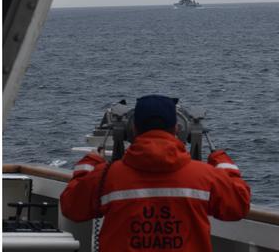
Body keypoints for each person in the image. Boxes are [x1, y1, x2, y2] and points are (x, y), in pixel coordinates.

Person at [60, 95, 251, 251]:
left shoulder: (106, 177)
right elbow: (238, 206)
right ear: (176, 129)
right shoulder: (204, 176)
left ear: (133, 129)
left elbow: (72, 207)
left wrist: (91, 162)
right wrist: (222, 161)